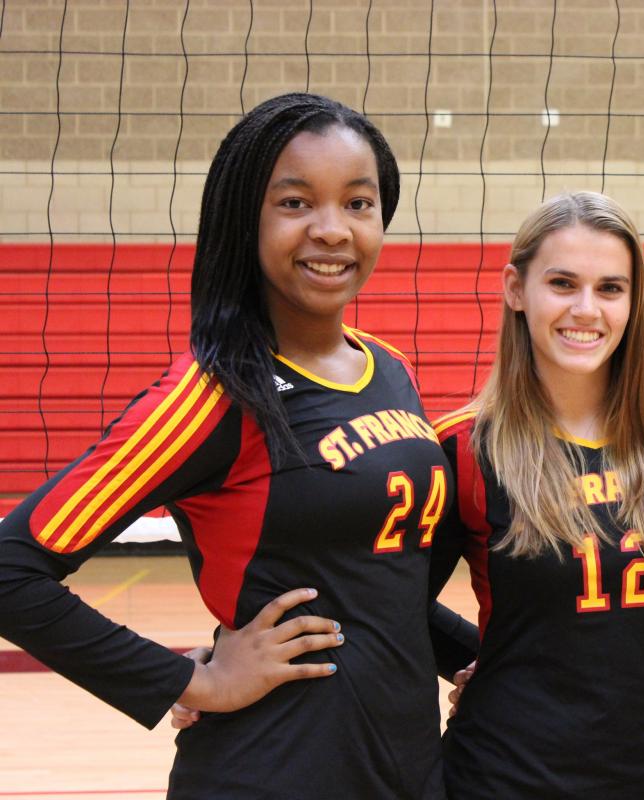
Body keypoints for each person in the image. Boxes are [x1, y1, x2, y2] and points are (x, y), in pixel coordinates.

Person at [0, 93, 451, 799]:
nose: (333, 230)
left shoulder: (388, 368)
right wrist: (193, 680)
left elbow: (386, 588)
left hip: (407, 768)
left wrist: (479, 661)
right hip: (272, 771)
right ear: (246, 219)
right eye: (296, 203)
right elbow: (10, 569)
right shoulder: (211, 395)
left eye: (358, 204)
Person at [428, 191, 644, 799]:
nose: (587, 309)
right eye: (562, 283)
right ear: (514, 289)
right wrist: (495, 655)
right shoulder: (465, 450)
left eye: (610, 288)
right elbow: (389, 605)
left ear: (634, 303)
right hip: (500, 778)